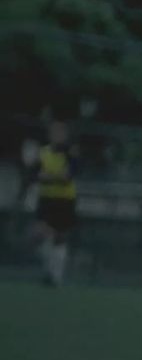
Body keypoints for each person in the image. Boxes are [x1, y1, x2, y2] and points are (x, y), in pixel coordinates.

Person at [29, 121, 77, 287]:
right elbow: (35, 174)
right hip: (46, 198)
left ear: (65, 135)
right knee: (38, 234)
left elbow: (67, 177)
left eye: (59, 132)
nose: (56, 135)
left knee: (60, 238)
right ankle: (50, 270)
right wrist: (53, 176)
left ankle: (56, 276)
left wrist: (48, 176)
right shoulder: (43, 152)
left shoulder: (71, 152)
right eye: (53, 132)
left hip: (64, 199)